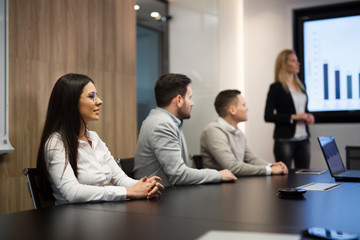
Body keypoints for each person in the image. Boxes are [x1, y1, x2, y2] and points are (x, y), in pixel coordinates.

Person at [37, 73, 164, 205]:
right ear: (71, 101)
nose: (99, 101)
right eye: (92, 96)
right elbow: (71, 192)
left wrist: (145, 186)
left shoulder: (94, 137)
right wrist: (127, 192)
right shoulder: (56, 143)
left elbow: (120, 179)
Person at [133, 73, 237, 187]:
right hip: (160, 200)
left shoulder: (170, 121)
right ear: (179, 100)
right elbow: (179, 175)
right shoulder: (161, 124)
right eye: (190, 97)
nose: (192, 103)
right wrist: (218, 175)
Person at [200, 90, 288, 177]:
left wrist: (272, 166)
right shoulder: (213, 131)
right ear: (232, 110)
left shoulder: (238, 132)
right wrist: (269, 170)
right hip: (217, 188)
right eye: (244, 105)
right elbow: (232, 167)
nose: (247, 108)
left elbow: (252, 159)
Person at [264, 49, 315, 169]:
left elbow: (302, 109)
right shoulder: (276, 87)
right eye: (293, 61)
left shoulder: (301, 86)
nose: (298, 64)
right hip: (284, 140)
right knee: (285, 178)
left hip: (303, 139)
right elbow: (268, 116)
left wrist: (308, 116)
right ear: (283, 64)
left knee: (303, 177)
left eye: (297, 61)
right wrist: (294, 117)